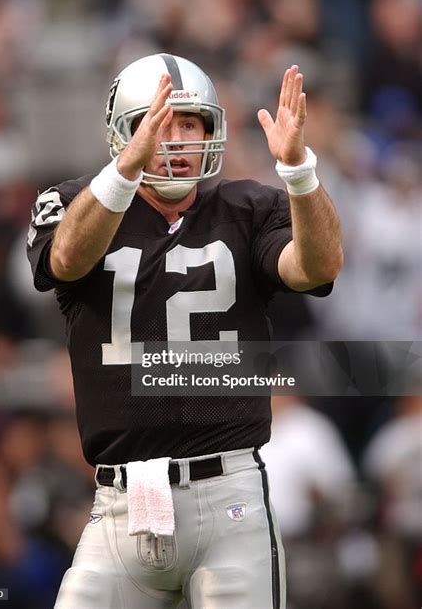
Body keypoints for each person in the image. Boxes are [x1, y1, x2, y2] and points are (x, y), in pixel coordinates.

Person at [27, 53, 343, 609]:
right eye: (158, 122)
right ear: (123, 132)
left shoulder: (250, 207)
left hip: (230, 500)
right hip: (121, 502)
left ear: (210, 133)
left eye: (189, 124)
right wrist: (125, 173)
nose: (174, 141)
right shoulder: (77, 203)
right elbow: (68, 259)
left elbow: (316, 267)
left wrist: (299, 171)